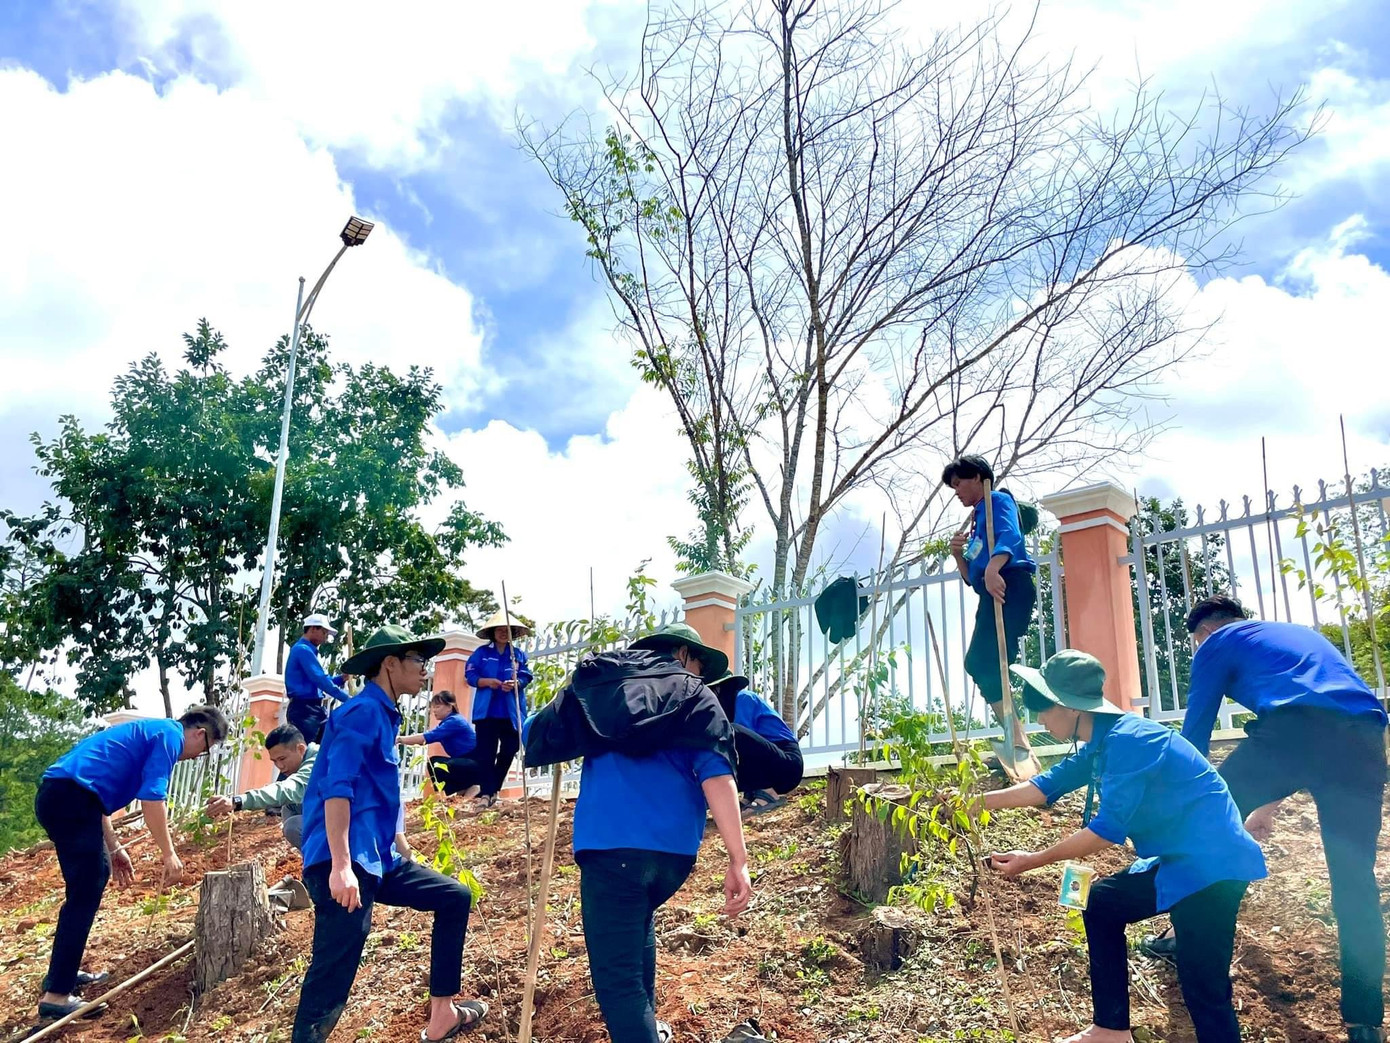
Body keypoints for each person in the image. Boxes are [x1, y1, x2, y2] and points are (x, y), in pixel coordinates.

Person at [984, 650, 1265, 1043]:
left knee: (1204, 988)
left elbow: (1105, 832)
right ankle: (1110, 1030)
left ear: (1068, 706)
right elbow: (1044, 786)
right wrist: (973, 802)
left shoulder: (1132, 740)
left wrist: (1033, 860)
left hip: (1212, 868)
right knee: (1101, 903)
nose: (1040, 720)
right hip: (1178, 862)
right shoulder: (1102, 744)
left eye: (1043, 708)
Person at [1153, 596, 1387, 1043]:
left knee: (1205, 829)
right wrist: (1266, 805)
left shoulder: (1215, 644)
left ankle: (1185, 935)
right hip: (1365, 739)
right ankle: (1365, 1023)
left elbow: (1197, 735)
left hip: (1291, 734)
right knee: (1355, 882)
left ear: (1202, 634)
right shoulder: (1294, 636)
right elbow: (1321, 715)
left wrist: (1181, 804)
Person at [527, 621, 754, 1043]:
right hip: (672, 858)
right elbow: (718, 775)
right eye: (699, 662)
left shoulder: (604, 693)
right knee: (637, 931)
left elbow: (534, 733)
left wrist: (574, 700)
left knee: (617, 984)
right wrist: (737, 859)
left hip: (611, 852)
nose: (700, 672)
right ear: (683, 655)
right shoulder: (697, 696)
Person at [291, 625, 487, 1043]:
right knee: (333, 969)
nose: (425, 672)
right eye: (419, 662)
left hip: (376, 857)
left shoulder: (384, 715)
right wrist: (341, 866)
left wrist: (400, 846)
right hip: (343, 858)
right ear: (390, 664)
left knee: (454, 896)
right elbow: (337, 788)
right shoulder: (360, 712)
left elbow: (378, 795)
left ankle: (442, 1015)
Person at [35, 705, 229, 1021]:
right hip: (69, 798)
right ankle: (57, 995)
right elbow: (153, 798)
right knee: (85, 891)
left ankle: (62, 979)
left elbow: (97, 797)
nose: (196, 757)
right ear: (200, 733)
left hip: (68, 797)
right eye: (204, 750)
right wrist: (169, 853)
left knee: (90, 882)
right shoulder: (169, 737)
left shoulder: (155, 732)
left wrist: (114, 849)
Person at [942, 454, 1037, 765]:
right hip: (991, 592)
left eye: (959, 483)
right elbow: (973, 577)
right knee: (980, 663)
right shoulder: (976, 520)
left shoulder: (996, 500)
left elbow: (1010, 535)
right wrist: (959, 556)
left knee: (987, 660)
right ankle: (1016, 739)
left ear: (979, 478)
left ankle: (1019, 743)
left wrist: (995, 567)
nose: (956, 491)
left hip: (1010, 584)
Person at [206, 724, 318, 850]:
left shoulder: (317, 761)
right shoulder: (303, 764)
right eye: (275, 761)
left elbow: (288, 789)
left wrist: (238, 801)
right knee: (289, 807)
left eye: (282, 758)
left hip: (342, 828)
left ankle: (328, 866)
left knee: (293, 825)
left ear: (301, 749)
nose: (279, 766)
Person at [707, 672, 804, 817]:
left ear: (719, 689)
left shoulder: (743, 698)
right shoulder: (727, 712)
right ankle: (751, 795)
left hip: (788, 766)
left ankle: (767, 793)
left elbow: (743, 743)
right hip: (770, 766)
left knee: (734, 733)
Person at [465, 610, 533, 805]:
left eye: (508, 630)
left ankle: (493, 787)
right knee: (485, 752)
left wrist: (516, 682)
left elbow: (526, 676)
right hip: (486, 712)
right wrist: (487, 682)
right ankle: (487, 794)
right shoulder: (482, 653)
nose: (504, 633)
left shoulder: (518, 655)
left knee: (510, 749)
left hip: (511, 712)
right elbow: (470, 676)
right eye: (500, 629)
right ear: (493, 632)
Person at [400, 690, 484, 799]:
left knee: (437, 765)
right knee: (435, 762)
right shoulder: (447, 722)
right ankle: (464, 788)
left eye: (437, 707)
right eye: (433, 707)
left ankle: (475, 785)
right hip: (467, 762)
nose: (433, 710)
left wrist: (400, 739)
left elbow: (427, 737)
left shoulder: (454, 721)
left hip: (477, 762)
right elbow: (425, 739)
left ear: (450, 707)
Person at [285, 613, 349, 744]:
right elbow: (320, 680)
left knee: (323, 749)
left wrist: (341, 679)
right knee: (310, 753)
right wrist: (347, 699)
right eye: (324, 632)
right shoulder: (303, 650)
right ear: (313, 628)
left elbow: (319, 679)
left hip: (310, 709)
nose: (325, 638)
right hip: (305, 710)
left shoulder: (304, 650)